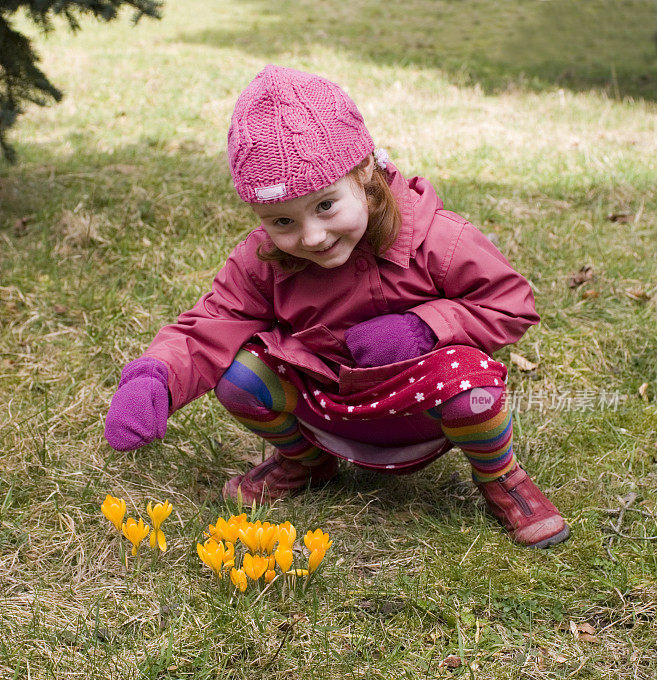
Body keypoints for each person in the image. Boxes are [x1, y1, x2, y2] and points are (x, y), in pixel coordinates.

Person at [104, 64, 569, 549]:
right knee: (241, 374)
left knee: (471, 381)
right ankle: (305, 461)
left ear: (364, 171)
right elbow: (212, 323)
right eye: (283, 220)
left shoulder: (440, 238)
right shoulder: (265, 260)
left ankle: (500, 476)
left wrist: (425, 327)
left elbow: (510, 303)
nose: (311, 236)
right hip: (327, 401)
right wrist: (153, 375)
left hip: (422, 402)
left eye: (327, 206)